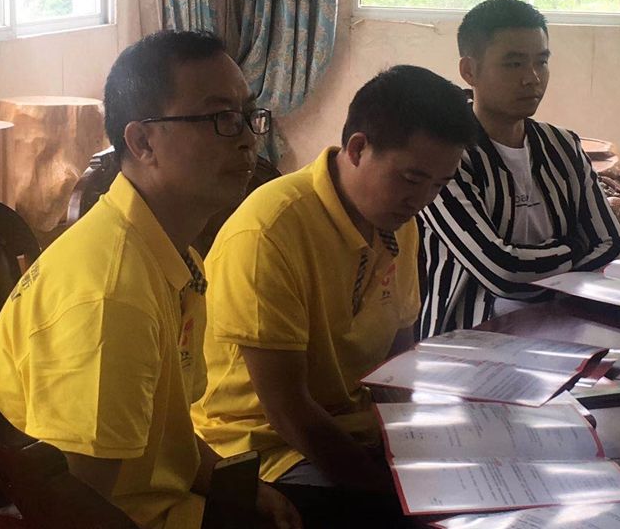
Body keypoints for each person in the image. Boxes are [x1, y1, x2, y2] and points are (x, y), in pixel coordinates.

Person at [0, 30, 301, 529]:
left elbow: (165, 430)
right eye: (220, 118)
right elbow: (72, 510)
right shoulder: (111, 296)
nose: (247, 138)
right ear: (143, 142)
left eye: (246, 114)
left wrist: (243, 489)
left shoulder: (171, 254)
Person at [192, 65, 477, 525]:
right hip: (266, 449)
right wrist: (388, 488)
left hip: (353, 428)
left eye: (439, 185)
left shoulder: (397, 223)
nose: (423, 199)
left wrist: (416, 446)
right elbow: (287, 410)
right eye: (411, 179)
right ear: (358, 148)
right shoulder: (270, 233)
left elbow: (398, 363)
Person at [417, 0, 620, 338]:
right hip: (469, 339)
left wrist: (544, 270)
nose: (532, 78)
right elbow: (503, 272)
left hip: (564, 326)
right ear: (469, 71)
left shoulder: (563, 145)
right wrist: (575, 249)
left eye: (541, 62)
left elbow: (614, 245)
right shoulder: (447, 155)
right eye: (513, 64)